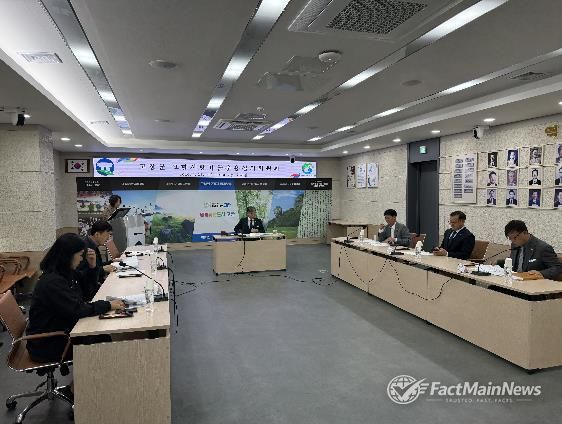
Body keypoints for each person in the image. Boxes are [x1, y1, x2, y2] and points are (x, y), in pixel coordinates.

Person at [26, 233, 124, 364]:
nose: (81, 259)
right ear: (68, 256)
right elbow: (77, 310)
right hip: (48, 344)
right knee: (101, 340)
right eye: (80, 255)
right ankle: (95, 374)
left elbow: (87, 291)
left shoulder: (65, 273)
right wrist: (108, 305)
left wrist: (92, 267)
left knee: (101, 334)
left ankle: (98, 372)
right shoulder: (52, 282)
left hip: (59, 328)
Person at [76, 221, 116, 300]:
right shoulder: (85, 247)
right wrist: (103, 269)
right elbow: (82, 273)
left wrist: (112, 261)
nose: (108, 238)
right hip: (88, 292)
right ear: (97, 234)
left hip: (94, 285)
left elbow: (97, 264)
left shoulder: (93, 244)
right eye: (107, 235)